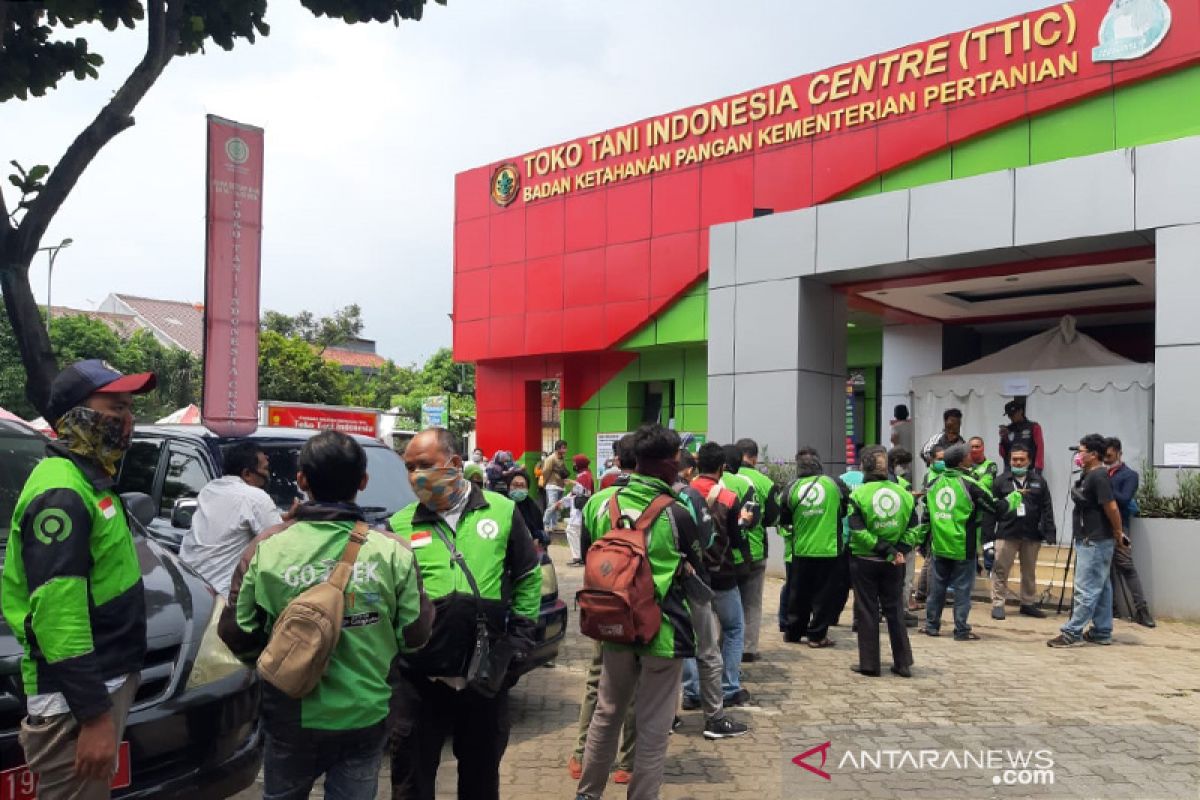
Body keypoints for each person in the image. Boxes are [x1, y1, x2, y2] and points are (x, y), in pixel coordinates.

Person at [219, 431, 434, 799]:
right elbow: (415, 635)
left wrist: (276, 660)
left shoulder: (266, 548)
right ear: (363, 482)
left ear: (301, 480)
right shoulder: (392, 552)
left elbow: (236, 631)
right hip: (365, 713)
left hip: (290, 711)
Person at [2, 360, 156, 800]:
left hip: (99, 686)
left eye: (129, 408)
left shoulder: (91, 483)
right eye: (115, 407)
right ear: (74, 415)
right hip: (76, 703)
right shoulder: (63, 492)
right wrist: (93, 717)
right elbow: (57, 615)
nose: (126, 420)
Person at [388, 428, 543, 800]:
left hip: (485, 677)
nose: (415, 476)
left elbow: (527, 576)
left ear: (455, 464)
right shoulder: (399, 524)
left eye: (424, 465)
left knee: (479, 780)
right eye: (409, 467)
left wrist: (517, 645)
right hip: (419, 680)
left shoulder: (502, 511)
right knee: (411, 782)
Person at [576, 425, 705, 800]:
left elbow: (589, 557)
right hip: (662, 632)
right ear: (671, 463)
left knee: (607, 712)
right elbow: (700, 568)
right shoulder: (678, 513)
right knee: (652, 726)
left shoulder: (600, 504)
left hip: (612, 624)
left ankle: (587, 794)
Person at [922, 444, 1019, 641]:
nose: (971, 457)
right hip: (962, 546)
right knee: (963, 590)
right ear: (960, 462)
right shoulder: (969, 484)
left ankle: (932, 626)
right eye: (968, 455)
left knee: (937, 588)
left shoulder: (933, 483)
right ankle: (961, 630)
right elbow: (996, 508)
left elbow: (927, 514)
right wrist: (1015, 497)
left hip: (939, 544)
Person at [686, 442, 755, 718]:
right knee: (734, 629)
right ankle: (727, 688)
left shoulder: (685, 495)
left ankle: (691, 692)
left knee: (692, 634)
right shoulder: (728, 498)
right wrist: (744, 522)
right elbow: (736, 541)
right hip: (724, 574)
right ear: (721, 467)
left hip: (693, 576)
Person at [179, 442, 291, 596]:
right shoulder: (255, 497)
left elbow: (236, 520)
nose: (268, 475)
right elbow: (282, 544)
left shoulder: (209, 490)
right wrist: (298, 518)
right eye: (265, 469)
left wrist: (284, 518)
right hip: (222, 597)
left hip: (190, 587)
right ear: (247, 474)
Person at [847, 446, 920, 678]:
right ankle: (903, 663)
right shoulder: (905, 495)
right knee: (895, 610)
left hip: (865, 560)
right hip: (895, 563)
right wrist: (897, 551)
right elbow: (914, 529)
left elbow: (857, 530)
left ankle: (869, 664)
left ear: (864, 468)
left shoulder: (857, 495)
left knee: (867, 611)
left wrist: (884, 549)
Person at [1049, 434, 1126, 648]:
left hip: (1095, 540)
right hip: (1089, 538)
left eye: (1081, 451)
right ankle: (1102, 631)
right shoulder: (1089, 475)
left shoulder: (1099, 476)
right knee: (1101, 588)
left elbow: (1111, 507)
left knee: (1086, 588)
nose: (1077, 455)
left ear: (1093, 455)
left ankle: (1072, 632)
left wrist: (1118, 531)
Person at [780, 449, 851, 648]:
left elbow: (785, 518)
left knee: (798, 592)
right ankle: (817, 635)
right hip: (830, 549)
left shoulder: (791, 488)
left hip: (801, 548)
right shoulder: (834, 484)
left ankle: (793, 633)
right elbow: (845, 507)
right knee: (825, 595)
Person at [990, 444, 1055, 620]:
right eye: (1014, 459)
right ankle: (998, 603)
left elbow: (1047, 507)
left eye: (1022, 459)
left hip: (1031, 534)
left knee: (1029, 571)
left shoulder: (1039, 481)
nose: (1018, 462)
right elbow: (992, 509)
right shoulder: (1000, 481)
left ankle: (1027, 603)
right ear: (1009, 460)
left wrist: (1050, 531)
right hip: (1006, 533)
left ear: (1029, 461)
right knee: (1001, 569)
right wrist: (988, 536)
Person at [730, 439, 780, 662]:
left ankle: (726, 645)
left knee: (725, 600)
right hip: (755, 550)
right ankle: (748, 648)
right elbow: (772, 517)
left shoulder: (724, 479)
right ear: (755, 458)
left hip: (728, 550)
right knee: (752, 602)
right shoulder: (765, 482)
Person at [1104, 438, 1155, 627]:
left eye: (1109, 456)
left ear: (1119, 453)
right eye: (1104, 456)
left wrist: (1104, 484)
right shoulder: (1101, 473)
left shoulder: (1129, 475)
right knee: (1105, 569)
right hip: (1100, 527)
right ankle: (1111, 608)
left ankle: (1142, 611)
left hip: (1121, 528)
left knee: (1126, 565)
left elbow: (1125, 499)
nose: (1107, 460)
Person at [968, 436, 1000, 574]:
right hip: (969, 509)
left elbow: (986, 483)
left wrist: (970, 481)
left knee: (987, 541)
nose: (974, 449)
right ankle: (974, 568)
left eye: (977, 446)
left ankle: (989, 568)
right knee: (970, 540)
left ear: (983, 447)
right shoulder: (964, 464)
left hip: (986, 508)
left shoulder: (990, 465)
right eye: (972, 447)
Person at [564, 454, 594, 566]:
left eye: (575, 462)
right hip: (578, 509)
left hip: (580, 510)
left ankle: (578, 557)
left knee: (572, 531)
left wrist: (573, 483)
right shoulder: (584, 474)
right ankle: (580, 556)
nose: (573, 465)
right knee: (575, 531)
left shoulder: (584, 476)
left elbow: (586, 492)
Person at [999, 399, 1045, 472]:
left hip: (1029, 468)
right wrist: (1003, 439)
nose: (1011, 417)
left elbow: (1040, 448)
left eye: (1013, 414)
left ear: (1021, 411)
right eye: (1009, 415)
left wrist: (1038, 467)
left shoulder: (1033, 427)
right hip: (1011, 468)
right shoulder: (1007, 429)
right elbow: (1002, 454)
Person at [507, 471, 548, 548]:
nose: (518, 489)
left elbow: (539, 530)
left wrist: (537, 538)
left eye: (522, 486)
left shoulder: (533, 508)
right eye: (515, 485)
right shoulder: (503, 505)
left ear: (527, 489)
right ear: (508, 487)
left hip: (528, 550)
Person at [541, 439, 570, 532]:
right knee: (552, 506)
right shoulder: (551, 458)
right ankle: (545, 523)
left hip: (560, 486)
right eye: (563, 448)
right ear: (557, 448)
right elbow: (546, 471)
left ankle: (554, 524)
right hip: (552, 485)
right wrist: (545, 482)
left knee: (557, 507)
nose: (565, 450)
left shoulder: (561, 458)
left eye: (566, 448)